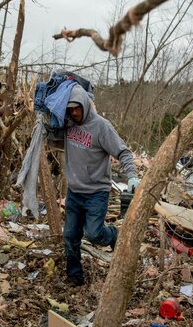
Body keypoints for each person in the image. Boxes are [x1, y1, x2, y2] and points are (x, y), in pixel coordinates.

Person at [59, 84, 140, 286]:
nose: (75, 112)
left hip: (96, 192)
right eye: (71, 109)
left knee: (94, 234)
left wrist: (131, 176)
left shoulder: (101, 126)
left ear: (85, 105)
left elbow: (123, 152)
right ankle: (75, 276)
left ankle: (113, 234)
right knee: (69, 235)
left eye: (77, 108)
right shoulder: (67, 122)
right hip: (74, 191)